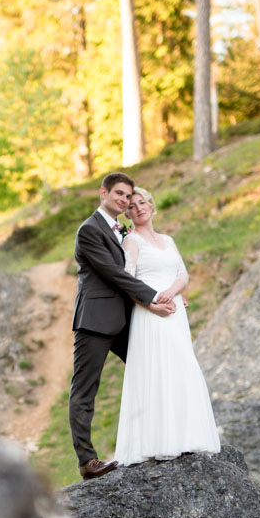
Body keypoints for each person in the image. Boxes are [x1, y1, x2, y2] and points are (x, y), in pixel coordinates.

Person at [68, 172, 176, 480]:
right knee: (85, 390)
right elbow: (115, 274)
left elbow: (141, 268)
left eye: (128, 196)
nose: (125, 200)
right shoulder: (89, 230)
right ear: (103, 193)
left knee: (151, 370)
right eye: (118, 193)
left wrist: (172, 293)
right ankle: (87, 462)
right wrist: (153, 298)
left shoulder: (123, 230)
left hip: (127, 319)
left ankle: (158, 439)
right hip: (96, 321)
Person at [112, 186, 221, 464]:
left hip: (173, 310)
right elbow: (129, 281)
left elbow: (182, 273)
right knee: (157, 369)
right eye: (132, 206)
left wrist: (172, 292)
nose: (138, 208)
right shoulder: (131, 241)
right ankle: (158, 440)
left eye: (142, 202)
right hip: (151, 312)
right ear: (127, 213)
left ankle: (186, 436)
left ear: (151, 205)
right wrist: (152, 304)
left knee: (181, 365)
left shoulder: (168, 240)